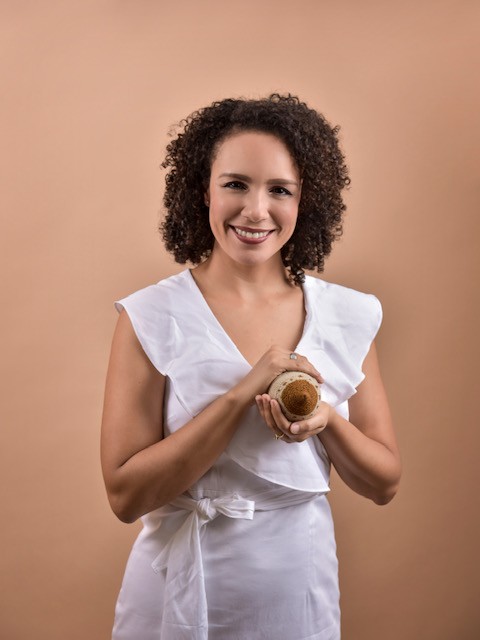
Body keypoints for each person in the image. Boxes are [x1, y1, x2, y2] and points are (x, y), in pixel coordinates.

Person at [100, 94, 401, 640]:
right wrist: (242, 395)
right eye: (235, 184)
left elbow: (384, 483)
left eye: (280, 190)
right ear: (204, 190)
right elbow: (125, 496)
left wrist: (327, 421)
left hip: (297, 596)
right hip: (173, 593)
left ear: (305, 200)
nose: (256, 210)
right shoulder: (151, 315)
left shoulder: (347, 315)